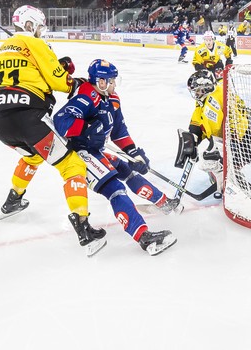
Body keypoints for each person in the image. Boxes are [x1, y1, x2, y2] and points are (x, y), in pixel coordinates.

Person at [0, 5, 106, 255]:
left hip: (0, 122)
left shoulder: (3, 49)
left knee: (32, 156)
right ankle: (83, 227)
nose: (42, 31)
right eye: (40, 26)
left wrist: (54, 65)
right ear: (30, 25)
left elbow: (25, 76)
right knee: (71, 165)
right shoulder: (36, 44)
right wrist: (75, 81)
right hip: (29, 119)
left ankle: (13, 200)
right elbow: (59, 83)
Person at [53, 59, 178, 256]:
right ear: (101, 82)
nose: (114, 84)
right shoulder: (87, 95)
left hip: (98, 151)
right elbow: (61, 122)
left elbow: (119, 131)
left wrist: (133, 152)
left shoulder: (112, 99)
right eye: (111, 80)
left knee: (127, 170)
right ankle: (144, 237)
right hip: (81, 154)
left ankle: (164, 203)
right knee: (116, 190)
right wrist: (85, 128)